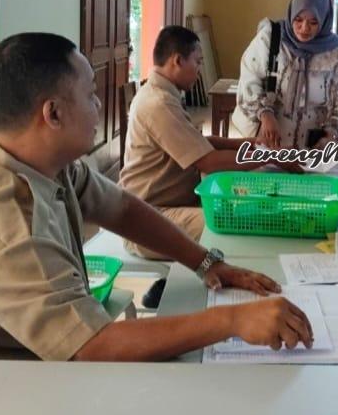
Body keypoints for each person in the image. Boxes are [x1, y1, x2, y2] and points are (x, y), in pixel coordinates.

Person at [0, 33, 313, 360]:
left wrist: (207, 262)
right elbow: (91, 347)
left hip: (13, 352)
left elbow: (123, 208)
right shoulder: (6, 223)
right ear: (54, 113)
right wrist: (233, 319)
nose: (99, 105)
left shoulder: (38, 160)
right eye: (91, 93)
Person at [120, 26, 300, 260]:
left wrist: (250, 144)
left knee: (247, 202)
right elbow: (209, 162)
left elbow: (198, 143)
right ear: (177, 61)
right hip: (148, 221)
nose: (199, 70)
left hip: (165, 207)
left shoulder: (162, 94)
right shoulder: (158, 103)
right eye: (197, 61)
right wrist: (269, 155)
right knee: (236, 221)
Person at [232, 0, 338, 149]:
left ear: (324, 19)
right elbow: (249, 78)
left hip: (312, 148)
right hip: (268, 141)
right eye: (298, 19)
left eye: (313, 22)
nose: (304, 28)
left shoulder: (337, 54)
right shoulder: (271, 38)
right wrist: (265, 113)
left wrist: (331, 133)